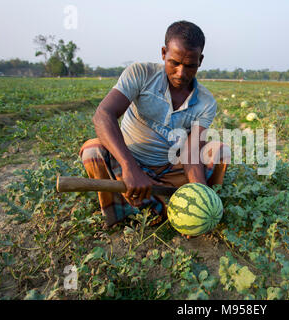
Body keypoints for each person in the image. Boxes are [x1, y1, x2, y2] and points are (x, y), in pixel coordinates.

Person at [79, 21, 230, 229]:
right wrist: (130, 167)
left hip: (170, 170)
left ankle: (167, 209)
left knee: (219, 152)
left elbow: (191, 152)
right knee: (92, 151)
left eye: (190, 65)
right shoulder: (141, 74)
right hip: (129, 162)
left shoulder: (205, 102)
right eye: (174, 63)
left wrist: (197, 205)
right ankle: (135, 208)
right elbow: (103, 115)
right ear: (163, 53)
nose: (181, 73)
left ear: (200, 60)